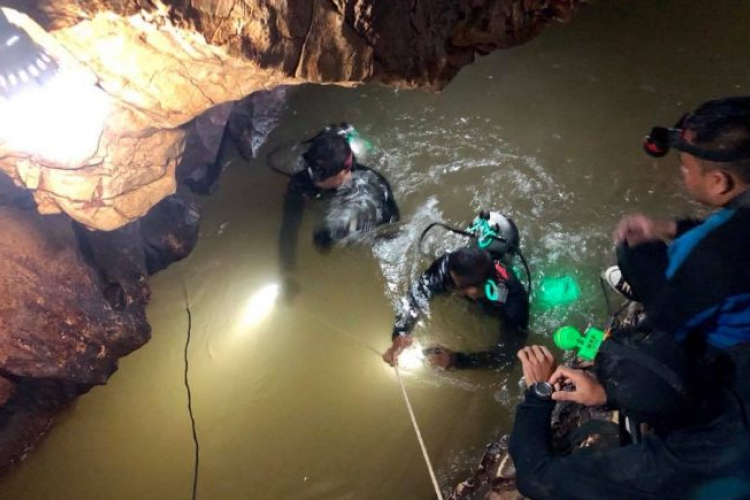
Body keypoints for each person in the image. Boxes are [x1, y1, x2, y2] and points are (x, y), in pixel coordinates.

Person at [605, 96, 750, 411]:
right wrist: (667, 226)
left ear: (718, 182)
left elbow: (665, 321)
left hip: (732, 359)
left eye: (686, 169)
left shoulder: (705, 254)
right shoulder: (728, 229)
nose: (683, 176)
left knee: (633, 255)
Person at [509, 344, 750, 500]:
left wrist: (539, 393)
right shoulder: (735, 364)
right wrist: (613, 392)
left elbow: (535, 476)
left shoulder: (668, 465)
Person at [278, 128, 400, 292]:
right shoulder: (301, 183)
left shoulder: (373, 185)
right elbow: (288, 229)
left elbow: (391, 230)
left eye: (319, 176)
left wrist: (341, 231)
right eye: (311, 170)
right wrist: (287, 272)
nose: (312, 178)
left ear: (342, 172)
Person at [382, 245, 529, 369]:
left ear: (472, 292)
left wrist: (455, 360)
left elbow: (507, 356)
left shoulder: (514, 303)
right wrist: (400, 332)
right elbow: (417, 294)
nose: (446, 282)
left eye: (454, 285)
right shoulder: (448, 266)